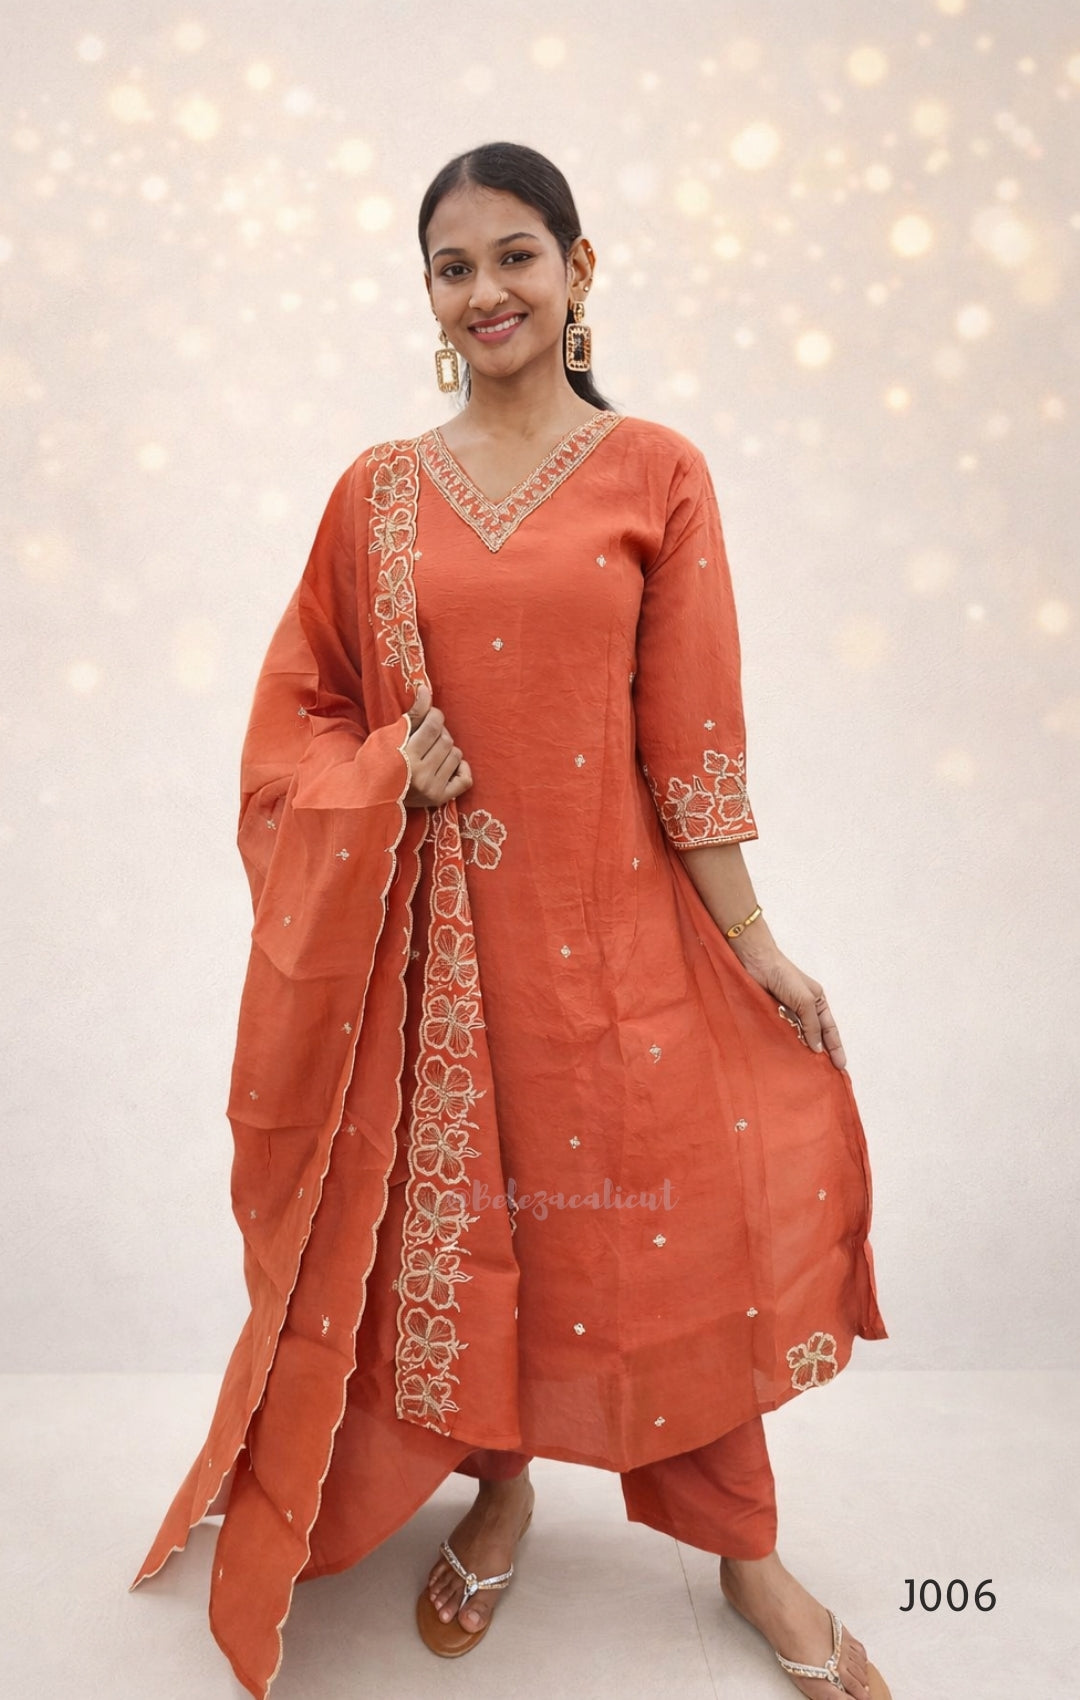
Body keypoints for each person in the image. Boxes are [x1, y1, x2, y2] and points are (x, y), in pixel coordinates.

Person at [129, 142, 891, 1700]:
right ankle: (501, 1489)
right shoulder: (379, 494)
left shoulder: (656, 472)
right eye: (454, 267)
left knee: (670, 1247)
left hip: (620, 961)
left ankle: (748, 1559)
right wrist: (373, 774)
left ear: (579, 270)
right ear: (428, 295)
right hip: (438, 976)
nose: (488, 290)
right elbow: (299, 720)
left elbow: (694, 746)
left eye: (516, 256)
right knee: (464, 1244)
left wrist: (758, 949)